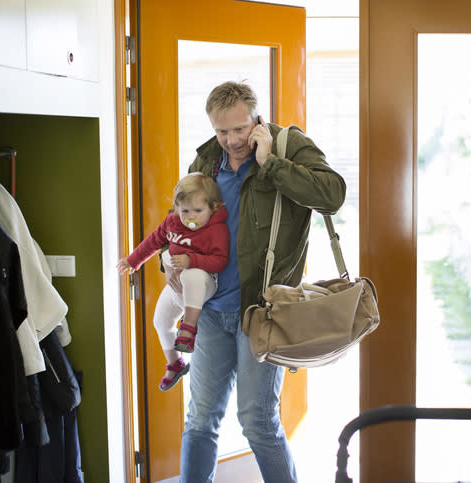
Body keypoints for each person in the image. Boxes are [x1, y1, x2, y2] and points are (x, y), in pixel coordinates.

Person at [168, 81, 345, 482]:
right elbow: (183, 216)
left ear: (256, 117)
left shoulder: (288, 145)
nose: (231, 141)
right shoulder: (208, 157)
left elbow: (332, 195)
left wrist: (272, 163)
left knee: (258, 422)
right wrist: (171, 258)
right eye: (221, 131)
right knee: (199, 419)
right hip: (211, 312)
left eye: (239, 129)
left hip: (262, 313)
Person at [117, 172, 229, 391]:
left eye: (198, 211)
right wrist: (133, 261)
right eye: (184, 210)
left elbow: (220, 261)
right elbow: (154, 241)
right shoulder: (173, 223)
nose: (190, 217)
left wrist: (191, 260)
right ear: (176, 207)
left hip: (203, 284)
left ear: (213, 207)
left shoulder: (216, 229)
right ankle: (175, 363)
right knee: (160, 321)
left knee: (191, 273)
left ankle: (189, 327)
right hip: (176, 286)